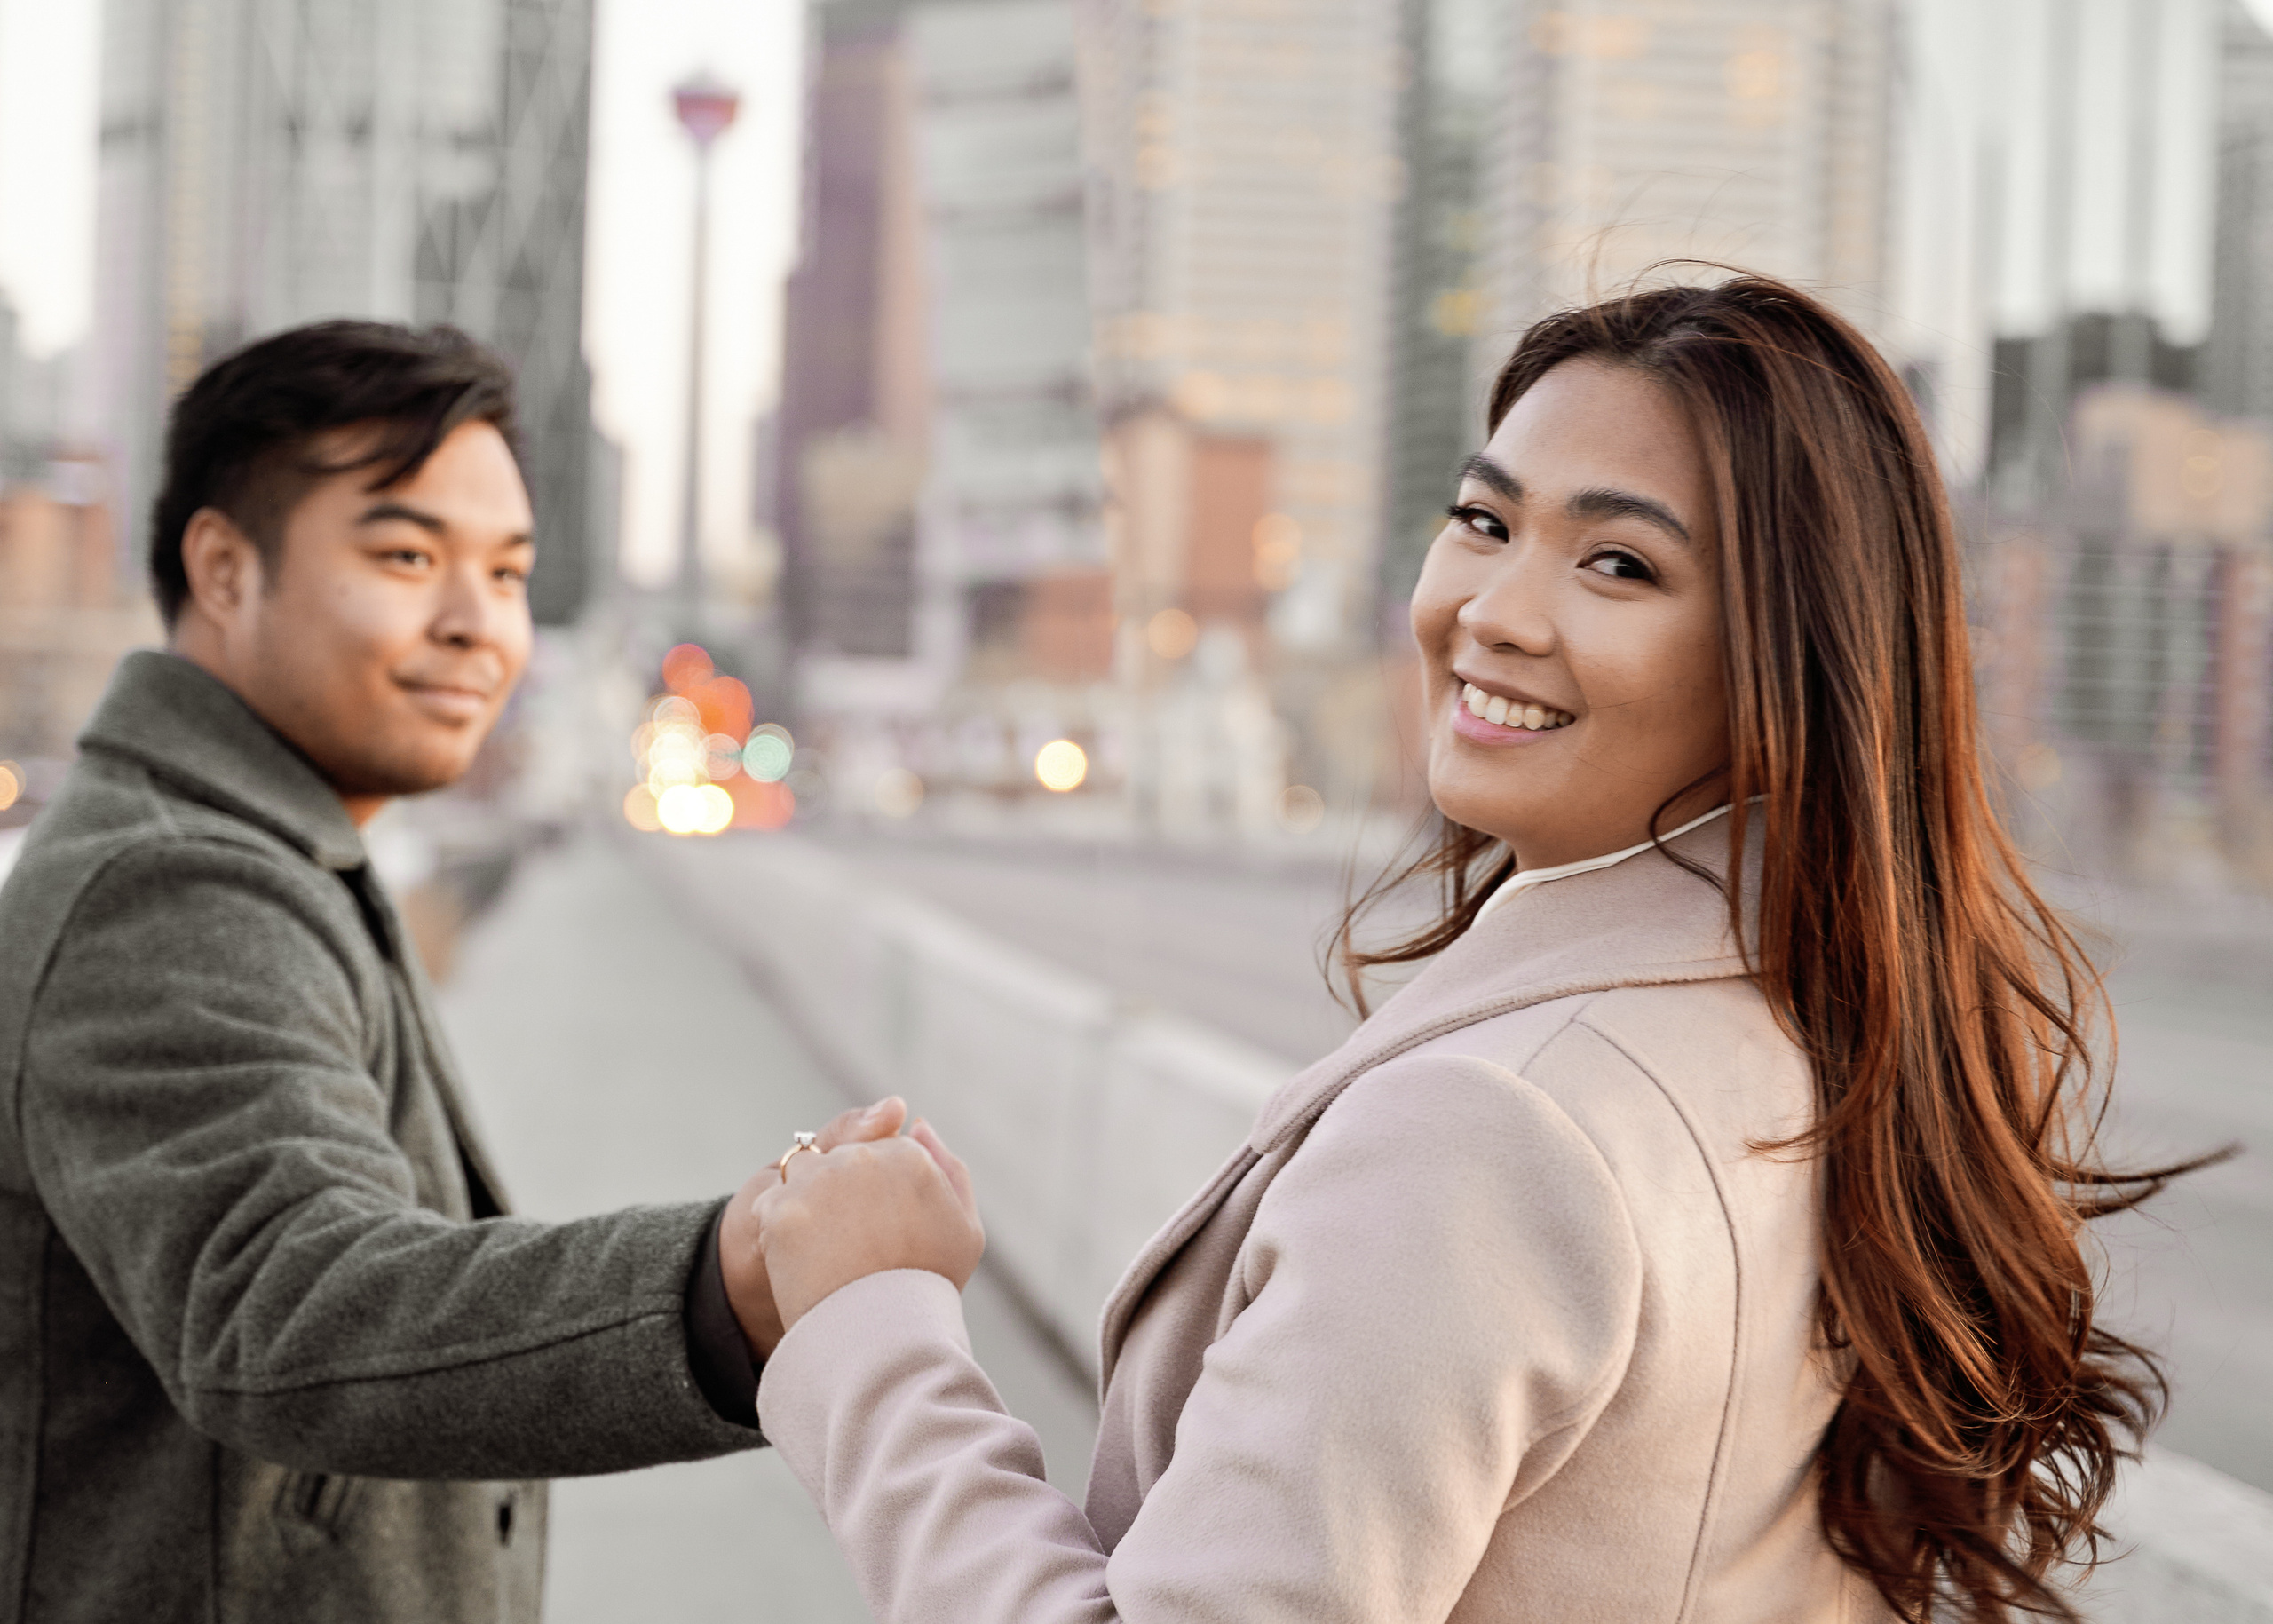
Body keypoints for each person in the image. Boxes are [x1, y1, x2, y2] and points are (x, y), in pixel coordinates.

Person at [741, 277, 2196, 1622]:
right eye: (1485, 521)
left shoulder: (1495, 1130)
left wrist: (881, 1336)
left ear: (1786, 658)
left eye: (1618, 564)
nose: (1492, 614)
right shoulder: (1835, 1027)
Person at [0, 321, 867, 1623]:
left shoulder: (270, 845)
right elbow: (284, 1298)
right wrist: (734, 1278)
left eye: (510, 572)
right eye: (407, 556)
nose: (478, 625)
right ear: (225, 569)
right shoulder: (169, 887)